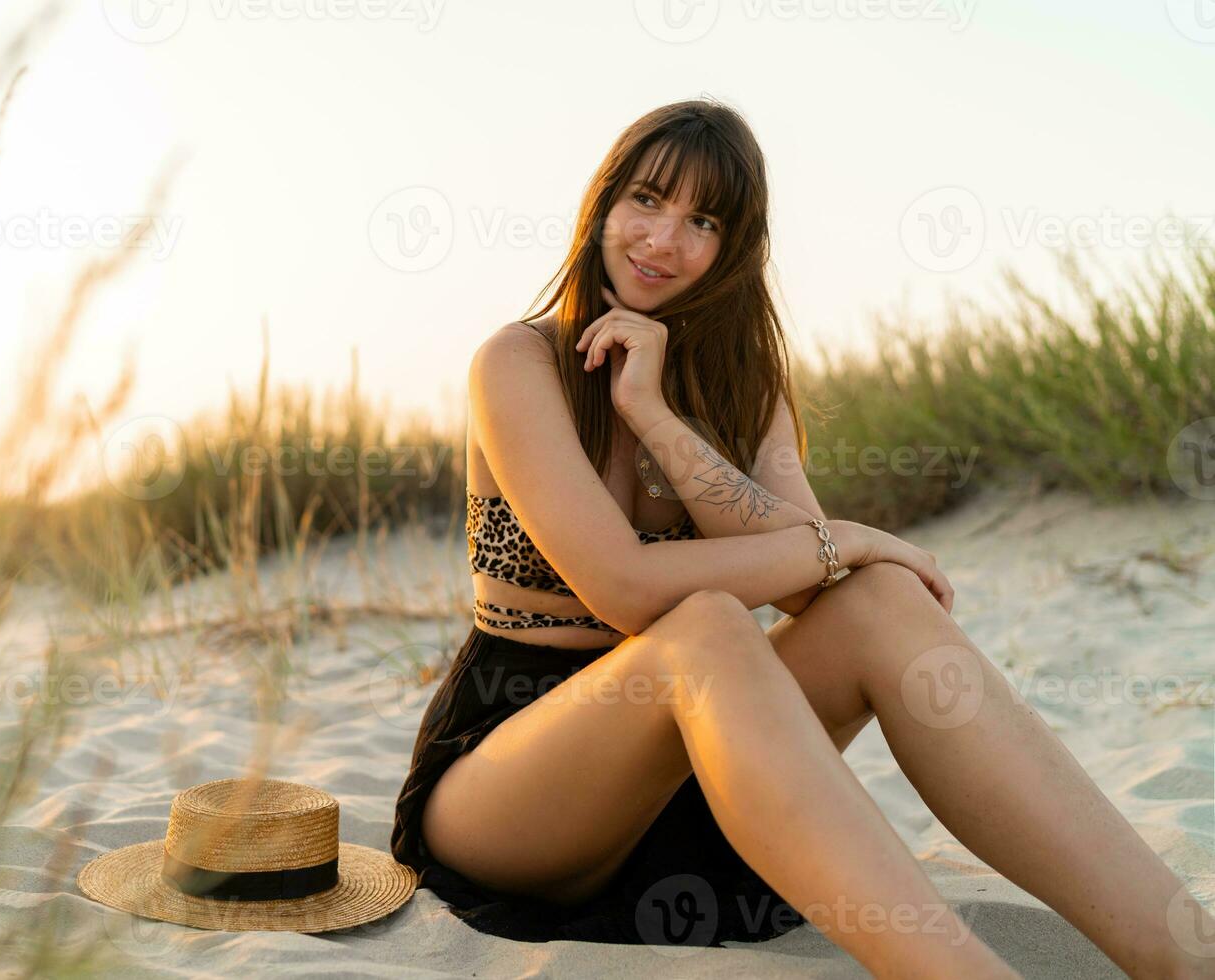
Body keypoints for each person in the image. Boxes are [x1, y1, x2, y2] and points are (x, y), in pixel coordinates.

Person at [391, 97, 1215, 977]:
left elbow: (811, 587)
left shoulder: (745, 388)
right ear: (602, 208)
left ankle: (1186, 955)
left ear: (734, 248)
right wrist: (849, 535)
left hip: (707, 783)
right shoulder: (519, 364)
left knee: (882, 602)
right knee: (703, 625)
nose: (663, 240)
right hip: (516, 784)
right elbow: (624, 589)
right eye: (646, 200)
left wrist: (661, 417)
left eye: (701, 220)